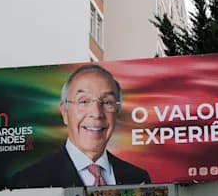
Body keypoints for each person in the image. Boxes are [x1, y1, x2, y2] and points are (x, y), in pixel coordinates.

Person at [9, 64, 151, 188]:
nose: (96, 113)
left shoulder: (138, 179)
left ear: (117, 112)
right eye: (83, 101)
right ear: (65, 112)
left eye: (107, 102)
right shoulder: (29, 182)